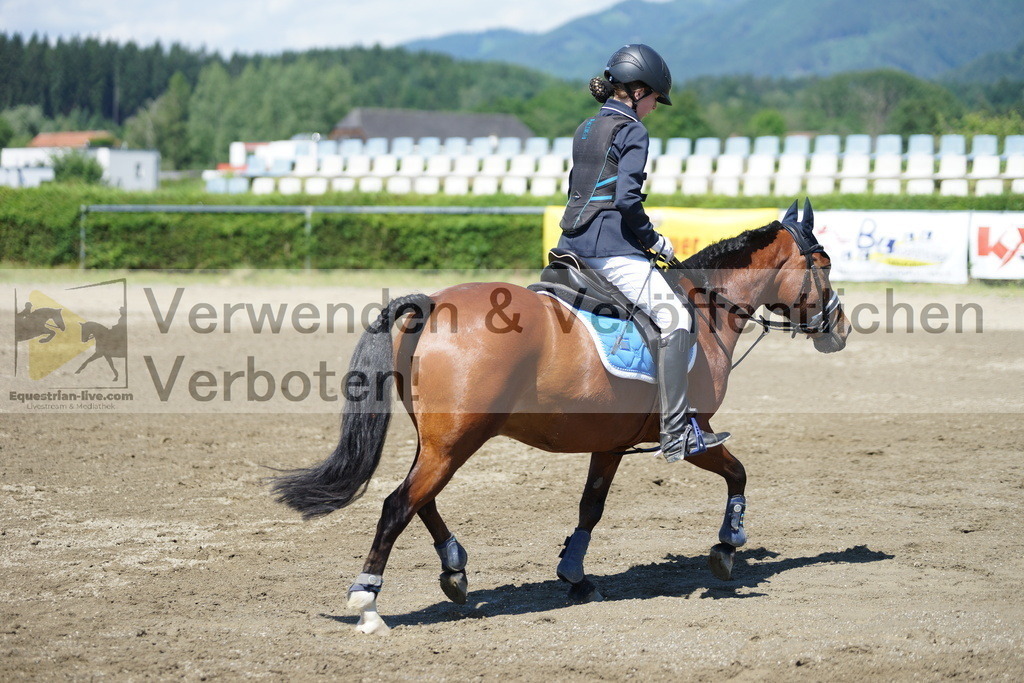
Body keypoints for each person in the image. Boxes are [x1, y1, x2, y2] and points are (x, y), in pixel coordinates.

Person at [557, 43, 729, 462]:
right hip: (610, 251)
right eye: (654, 98)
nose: (654, 107)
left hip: (568, 248)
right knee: (675, 319)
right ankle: (675, 432)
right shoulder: (632, 130)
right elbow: (627, 200)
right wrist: (654, 242)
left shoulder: (585, 126)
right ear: (637, 90)